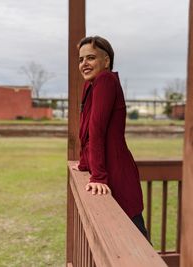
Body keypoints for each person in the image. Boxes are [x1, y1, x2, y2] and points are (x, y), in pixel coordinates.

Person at [73, 35, 148, 239]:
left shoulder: (105, 80)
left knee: (135, 237)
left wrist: (98, 176)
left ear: (106, 61)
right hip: (110, 169)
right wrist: (83, 163)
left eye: (90, 58)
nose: (84, 64)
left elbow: (97, 130)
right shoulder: (91, 85)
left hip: (117, 172)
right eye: (81, 60)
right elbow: (86, 131)